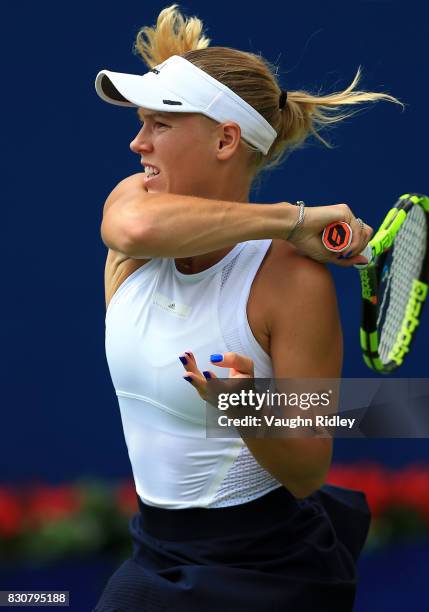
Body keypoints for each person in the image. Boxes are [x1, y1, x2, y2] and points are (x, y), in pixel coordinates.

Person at [93, 5, 403, 611]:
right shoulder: (132, 215)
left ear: (226, 139)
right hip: (154, 552)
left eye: (160, 124)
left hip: (269, 573)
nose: (138, 143)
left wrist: (241, 406)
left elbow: (309, 467)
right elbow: (131, 228)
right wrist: (297, 219)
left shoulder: (291, 281)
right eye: (140, 123)